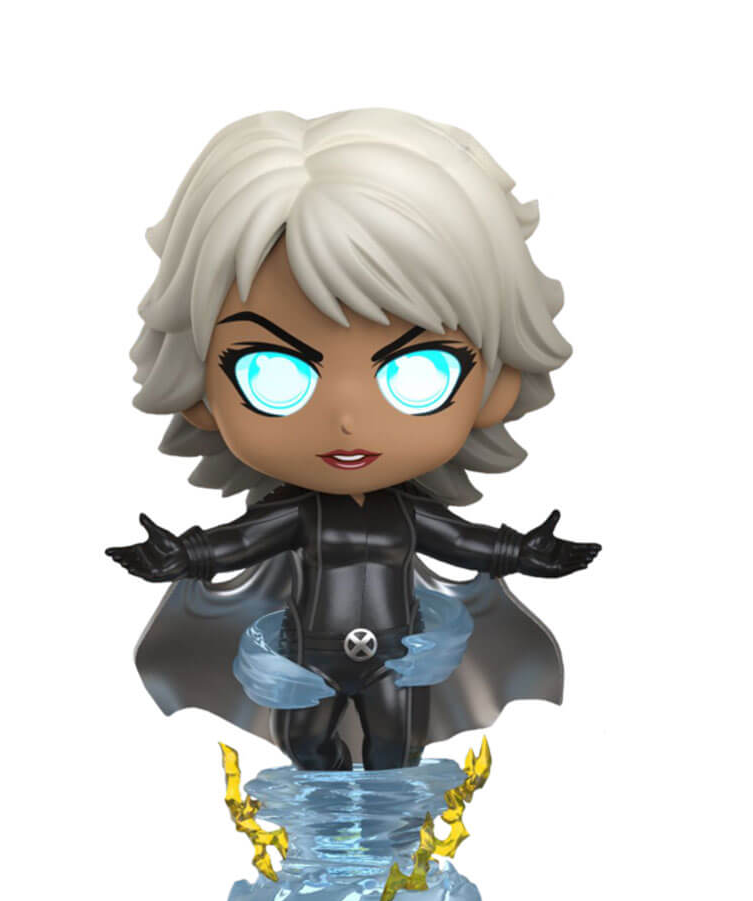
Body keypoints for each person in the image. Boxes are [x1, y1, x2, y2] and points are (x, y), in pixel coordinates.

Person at [106, 109, 600, 770]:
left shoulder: (406, 515)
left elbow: (465, 544)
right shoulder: (298, 514)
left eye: (418, 374)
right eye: (273, 375)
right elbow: (238, 543)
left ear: (496, 387)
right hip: (309, 659)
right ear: (199, 393)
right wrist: (184, 556)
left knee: (396, 752)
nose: (346, 420)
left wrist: (524, 553)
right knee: (308, 747)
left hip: (397, 659)